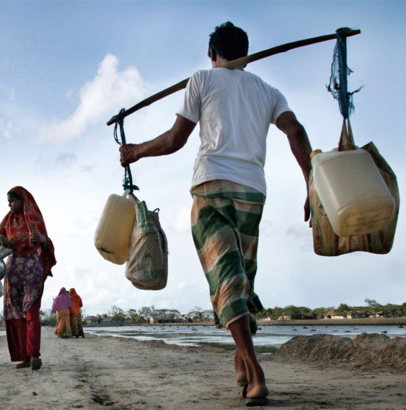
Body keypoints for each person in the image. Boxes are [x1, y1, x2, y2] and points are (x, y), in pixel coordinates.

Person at [119, 22, 312, 405]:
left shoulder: (203, 79)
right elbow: (296, 132)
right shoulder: (268, 91)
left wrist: (135, 151)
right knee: (239, 279)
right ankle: (242, 361)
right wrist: (312, 183)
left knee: (227, 278)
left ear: (212, 54)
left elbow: (176, 140)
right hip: (253, 193)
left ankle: (255, 373)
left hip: (212, 188)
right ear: (244, 52)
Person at [0, 186, 56, 370]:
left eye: (12, 201)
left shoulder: (34, 218)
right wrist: (1, 238)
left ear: (22, 200)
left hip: (32, 266)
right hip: (13, 270)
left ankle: (34, 354)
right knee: (16, 314)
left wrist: (42, 239)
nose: (10, 205)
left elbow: (47, 242)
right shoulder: (7, 220)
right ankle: (25, 357)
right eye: (8, 202)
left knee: (31, 311)